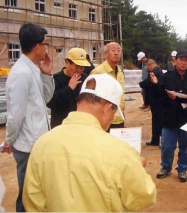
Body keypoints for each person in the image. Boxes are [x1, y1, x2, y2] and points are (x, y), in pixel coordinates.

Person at [22, 74, 157, 212]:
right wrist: (136, 167)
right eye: (113, 114)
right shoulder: (121, 152)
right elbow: (144, 197)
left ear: (79, 101)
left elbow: (33, 203)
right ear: (107, 108)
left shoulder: (42, 144)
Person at [1, 23, 54, 212]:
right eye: (45, 44)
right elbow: (15, 115)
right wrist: (9, 140)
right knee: (27, 195)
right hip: (27, 147)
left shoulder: (33, 69)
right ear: (37, 47)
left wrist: (47, 75)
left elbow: (45, 98)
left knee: (36, 193)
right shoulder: (21, 74)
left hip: (36, 143)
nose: (46, 49)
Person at [149, 49, 187, 182]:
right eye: (181, 59)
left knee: (186, 147)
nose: (183, 62)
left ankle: (182, 169)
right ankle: (166, 167)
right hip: (169, 118)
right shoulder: (166, 77)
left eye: (186, 60)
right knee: (167, 146)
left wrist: (183, 98)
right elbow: (158, 95)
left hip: (186, 118)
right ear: (175, 60)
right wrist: (157, 85)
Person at [47, 48, 91, 128]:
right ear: (67, 63)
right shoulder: (56, 79)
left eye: (82, 67)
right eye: (77, 66)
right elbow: (50, 102)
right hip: (61, 126)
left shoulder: (86, 79)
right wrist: (69, 88)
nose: (79, 70)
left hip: (80, 125)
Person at [91, 42, 125, 132]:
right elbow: (90, 98)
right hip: (103, 120)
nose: (116, 53)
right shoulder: (98, 72)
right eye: (113, 50)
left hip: (119, 119)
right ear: (106, 53)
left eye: (118, 51)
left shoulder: (120, 71)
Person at [139, 59, 164, 146]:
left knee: (157, 121)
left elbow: (145, 83)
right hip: (158, 100)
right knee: (158, 120)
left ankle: (156, 139)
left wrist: (140, 83)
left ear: (150, 65)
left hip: (156, 100)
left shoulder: (154, 72)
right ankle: (157, 138)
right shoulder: (159, 70)